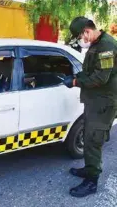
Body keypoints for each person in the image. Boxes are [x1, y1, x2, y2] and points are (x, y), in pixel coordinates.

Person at [63, 16, 117, 197]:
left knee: (94, 140)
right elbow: (90, 71)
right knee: (88, 134)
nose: (81, 41)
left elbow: (101, 78)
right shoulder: (96, 44)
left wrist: (76, 82)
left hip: (104, 103)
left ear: (87, 31)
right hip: (94, 101)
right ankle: (89, 169)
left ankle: (91, 182)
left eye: (80, 37)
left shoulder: (107, 47)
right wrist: (76, 75)